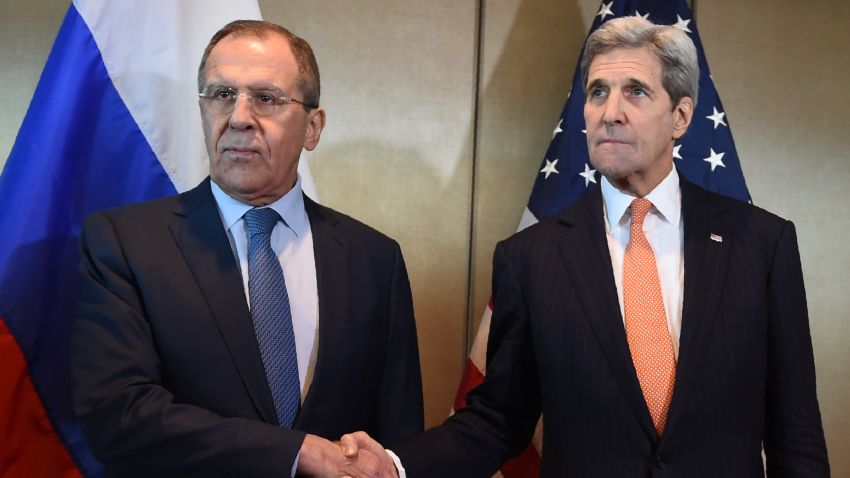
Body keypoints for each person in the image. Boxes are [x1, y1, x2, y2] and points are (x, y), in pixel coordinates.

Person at [345, 16, 829, 477]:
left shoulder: (762, 243)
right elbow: (498, 419)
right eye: (598, 92)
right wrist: (398, 465)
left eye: (635, 92)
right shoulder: (530, 259)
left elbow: (796, 431)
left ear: (681, 116)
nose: (610, 112)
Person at [71, 20, 423, 477]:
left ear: (313, 127)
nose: (238, 117)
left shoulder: (375, 258)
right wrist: (298, 453)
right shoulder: (124, 243)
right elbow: (117, 415)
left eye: (266, 98)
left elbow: (396, 435)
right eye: (221, 95)